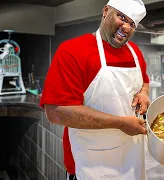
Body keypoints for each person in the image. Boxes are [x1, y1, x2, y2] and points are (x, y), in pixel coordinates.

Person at [40, 0, 151, 179]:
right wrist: (120, 123)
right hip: (90, 163)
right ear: (106, 11)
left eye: (132, 24)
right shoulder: (72, 51)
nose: (126, 27)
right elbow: (56, 112)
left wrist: (144, 93)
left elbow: (144, 81)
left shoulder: (135, 52)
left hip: (132, 162)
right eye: (121, 17)